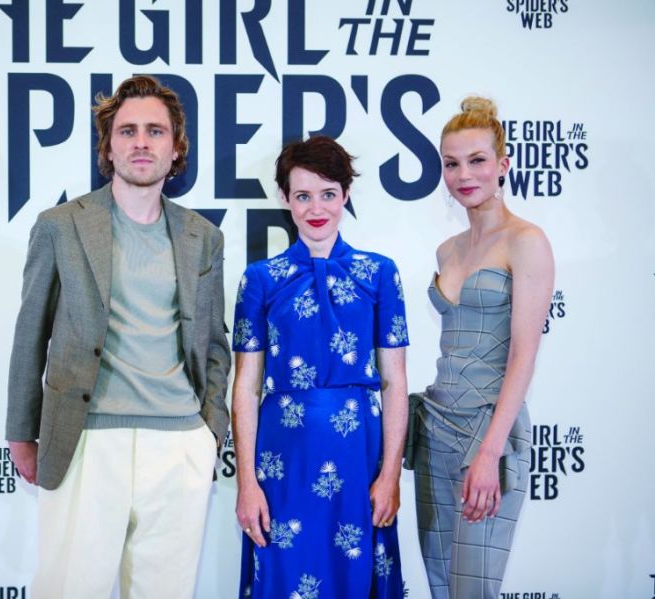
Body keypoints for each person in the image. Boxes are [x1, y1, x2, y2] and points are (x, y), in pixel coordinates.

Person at [5, 75, 231, 599]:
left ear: (176, 148)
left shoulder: (203, 237)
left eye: (156, 131)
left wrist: (209, 433)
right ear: (108, 147)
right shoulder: (60, 226)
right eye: (127, 131)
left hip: (179, 445)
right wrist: (21, 431)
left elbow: (214, 345)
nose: (141, 143)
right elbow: (30, 334)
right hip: (85, 439)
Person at [232, 136, 408, 598]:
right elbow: (246, 387)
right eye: (303, 195)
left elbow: (394, 383)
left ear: (346, 195)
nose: (316, 208)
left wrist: (390, 474)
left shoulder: (379, 273)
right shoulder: (259, 279)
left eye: (328, 194)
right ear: (285, 198)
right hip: (282, 462)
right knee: (284, 574)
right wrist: (247, 483)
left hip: (359, 458)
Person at [407, 96, 554, 599]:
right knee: (441, 586)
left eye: (477, 160)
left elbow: (523, 355)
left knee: (473, 590)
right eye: (451, 163)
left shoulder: (526, 240)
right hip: (434, 429)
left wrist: (490, 453)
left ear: (503, 164)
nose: (463, 175)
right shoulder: (446, 250)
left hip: (488, 432)